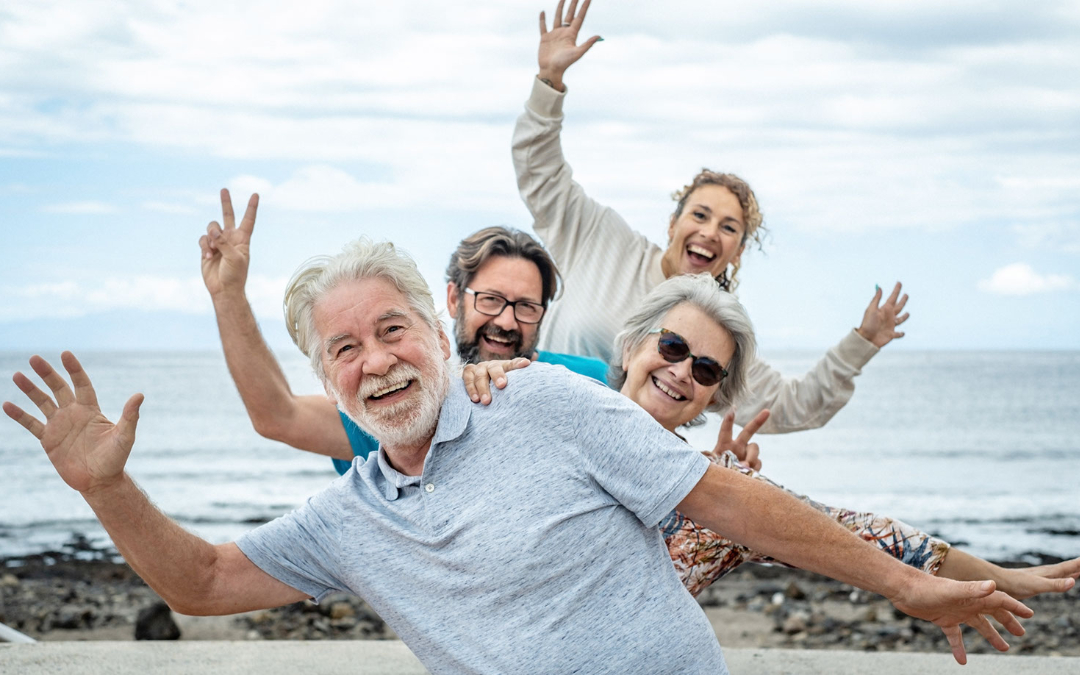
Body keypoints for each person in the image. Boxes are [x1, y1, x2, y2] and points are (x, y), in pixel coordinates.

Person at [3, 228, 1037, 669]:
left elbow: (725, 500)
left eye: (392, 331)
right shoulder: (349, 513)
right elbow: (203, 580)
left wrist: (903, 584)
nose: (375, 363)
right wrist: (108, 490)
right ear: (330, 375)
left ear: (434, 325)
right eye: (345, 350)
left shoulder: (543, 398)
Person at [464, 274, 1080, 601]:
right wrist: (476, 373)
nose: (682, 371)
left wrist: (1000, 575)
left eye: (706, 369)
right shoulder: (551, 399)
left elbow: (860, 534)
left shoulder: (716, 501)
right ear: (632, 346)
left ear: (715, 395)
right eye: (673, 347)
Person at [513, 0, 910, 439]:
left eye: (728, 227)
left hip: (619, 469)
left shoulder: (713, 335)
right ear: (672, 222)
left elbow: (792, 407)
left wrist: (862, 342)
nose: (709, 232)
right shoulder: (601, 238)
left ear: (737, 251)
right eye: (699, 214)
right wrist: (549, 81)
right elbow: (540, 174)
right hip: (535, 425)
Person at [199, 190, 606, 474]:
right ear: (452, 299)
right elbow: (278, 416)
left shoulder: (588, 381)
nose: (506, 321)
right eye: (490, 300)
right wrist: (228, 296)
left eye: (526, 306)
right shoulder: (399, 400)